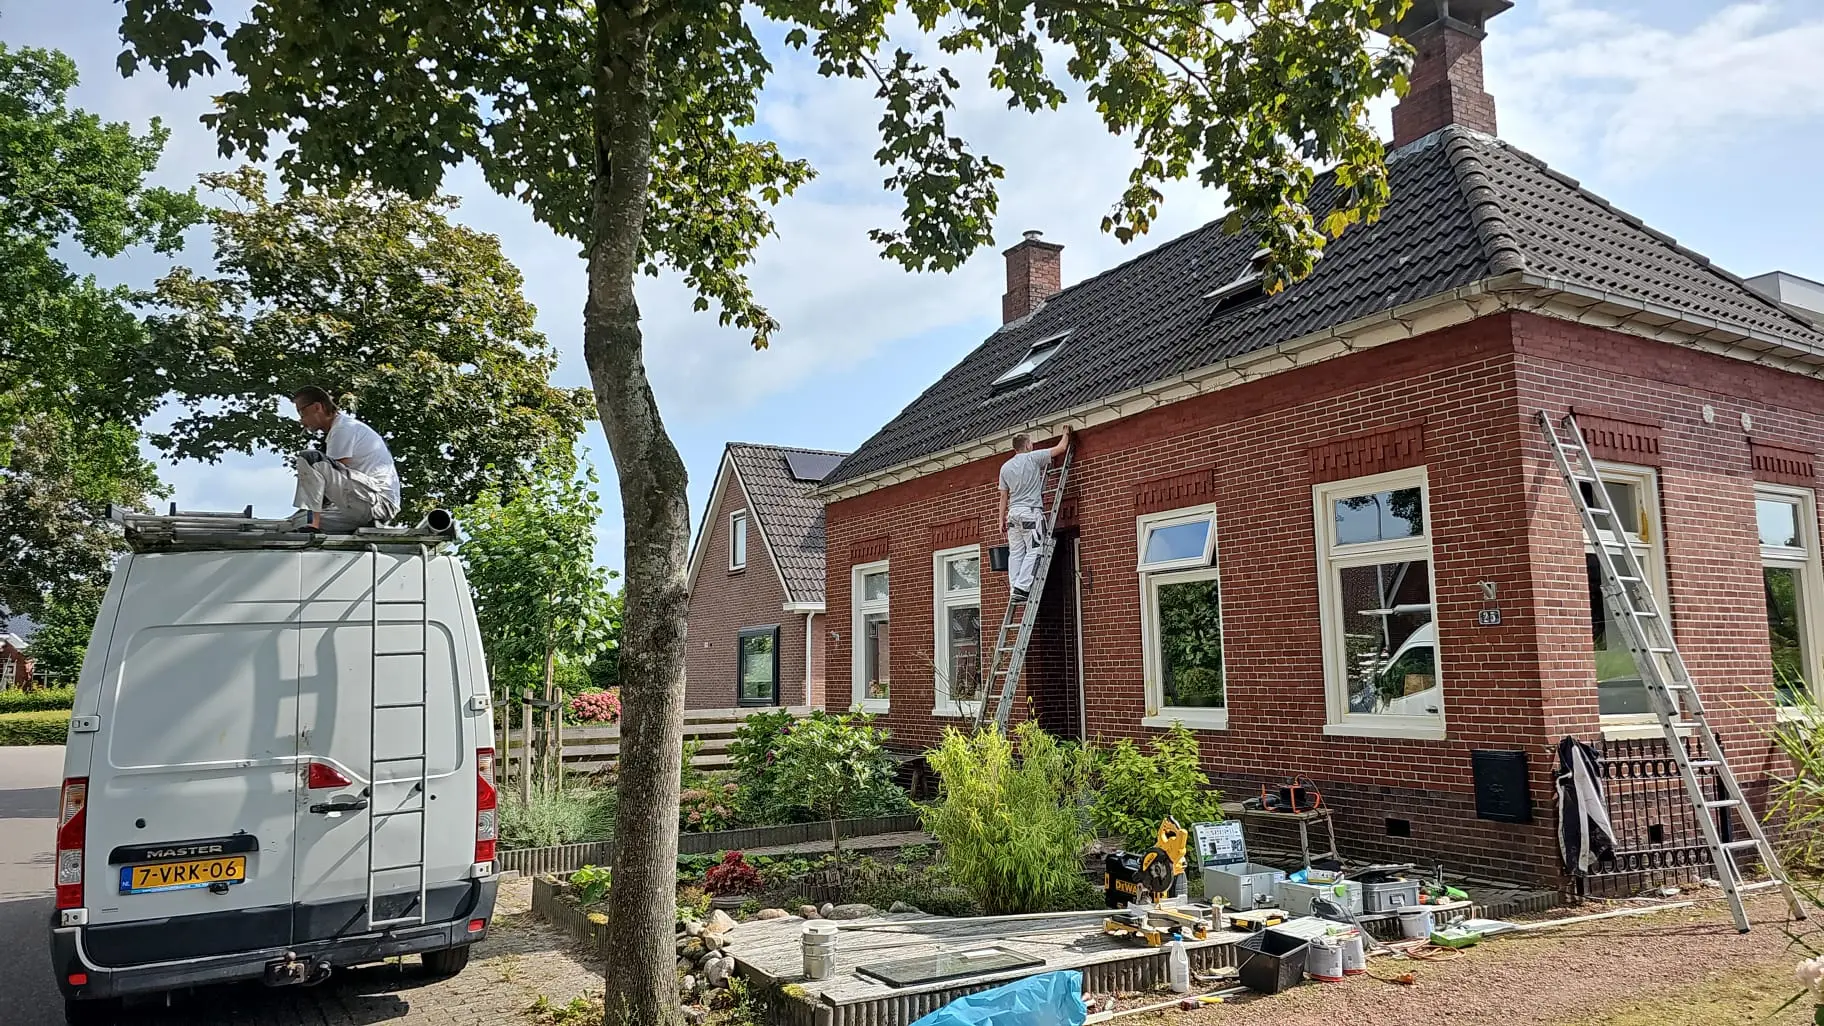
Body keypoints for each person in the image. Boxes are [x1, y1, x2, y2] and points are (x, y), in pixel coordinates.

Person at [289, 386, 402, 532]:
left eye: (302, 412)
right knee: (294, 523)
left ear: (317, 407)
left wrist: (310, 517)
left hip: (377, 502)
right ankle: (311, 524)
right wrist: (301, 516)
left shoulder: (343, 428)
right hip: (363, 505)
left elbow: (328, 483)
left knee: (309, 458)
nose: (301, 421)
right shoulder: (339, 429)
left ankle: (313, 525)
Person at [998, 425, 1072, 602]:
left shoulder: (1005, 467)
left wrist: (1000, 519)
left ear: (1015, 448)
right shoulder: (1033, 458)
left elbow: (1003, 496)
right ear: (1028, 445)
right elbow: (1060, 448)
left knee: (1015, 552)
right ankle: (1022, 587)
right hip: (1030, 514)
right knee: (1035, 549)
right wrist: (1066, 434)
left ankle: (1014, 587)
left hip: (1012, 515)